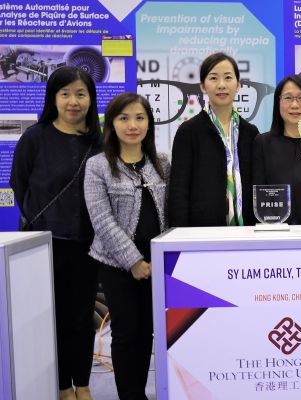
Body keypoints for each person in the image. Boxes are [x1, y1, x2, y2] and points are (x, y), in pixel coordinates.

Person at [10, 66, 102, 400]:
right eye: (65, 94)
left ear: (91, 99)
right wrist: (40, 221)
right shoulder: (36, 137)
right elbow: (19, 184)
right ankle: (63, 386)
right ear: (54, 98)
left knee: (82, 318)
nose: (73, 101)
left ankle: (84, 383)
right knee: (56, 319)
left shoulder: (100, 141)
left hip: (89, 245)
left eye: (80, 94)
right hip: (48, 246)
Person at [84, 93, 169, 400]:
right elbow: (102, 220)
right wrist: (133, 261)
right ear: (112, 124)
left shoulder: (161, 164)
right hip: (116, 265)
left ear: (149, 123)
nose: (132, 125)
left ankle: (141, 393)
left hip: (156, 264)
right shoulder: (98, 166)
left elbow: (169, 214)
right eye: (124, 118)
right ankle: (130, 395)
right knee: (124, 333)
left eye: (139, 118)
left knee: (147, 331)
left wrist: (157, 260)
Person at [169, 52, 260, 227]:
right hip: (202, 233)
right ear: (203, 86)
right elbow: (178, 191)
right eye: (213, 78)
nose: (221, 85)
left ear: (238, 85)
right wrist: (180, 235)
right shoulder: (188, 132)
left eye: (228, 78)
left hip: (246, 231)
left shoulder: (251, 132)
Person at [252, 75, 301, 224]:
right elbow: (257, 193)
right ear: (278, 102)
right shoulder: (262, 143)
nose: (294, 105)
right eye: (288, 98)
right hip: (275, 233)